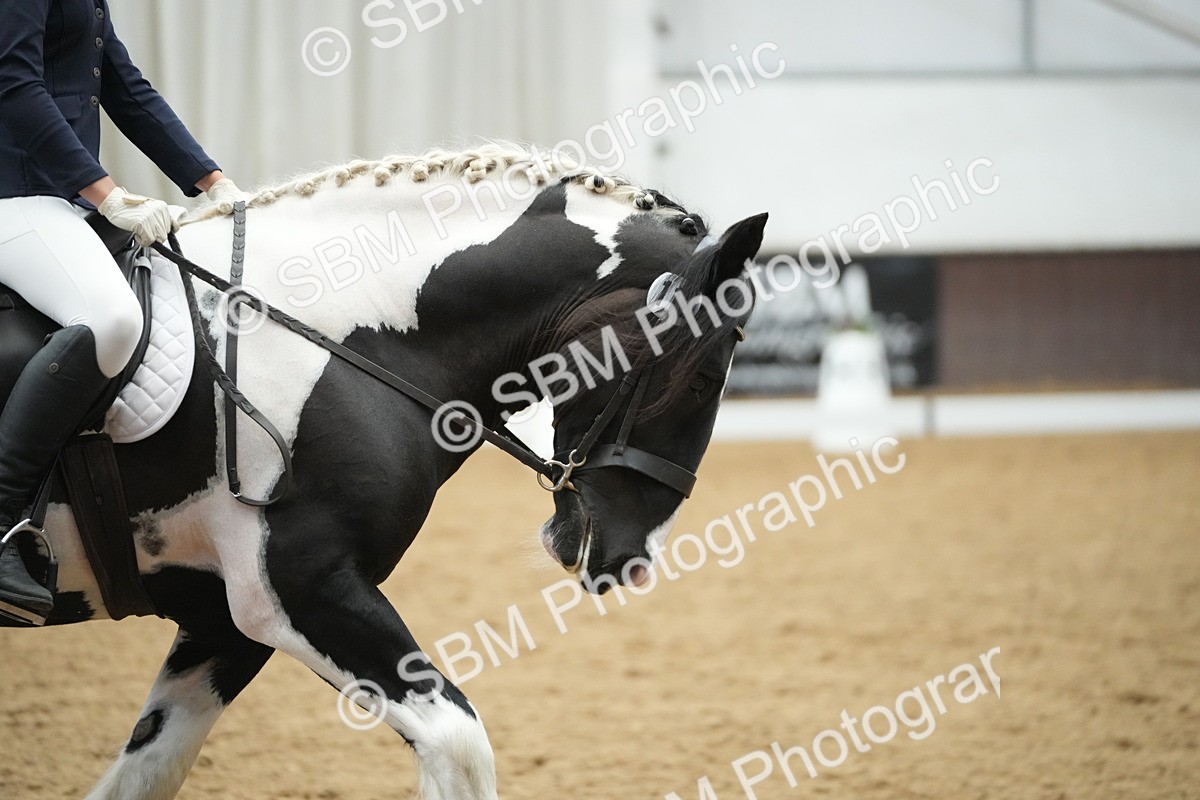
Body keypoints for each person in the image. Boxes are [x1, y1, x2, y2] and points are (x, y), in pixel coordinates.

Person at [0, 0, 245, 625]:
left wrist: (213, 183)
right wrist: (106, 194)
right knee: (111, 321)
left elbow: (124, 86)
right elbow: (14, 83)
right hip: (14, 196)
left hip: (56, 199)